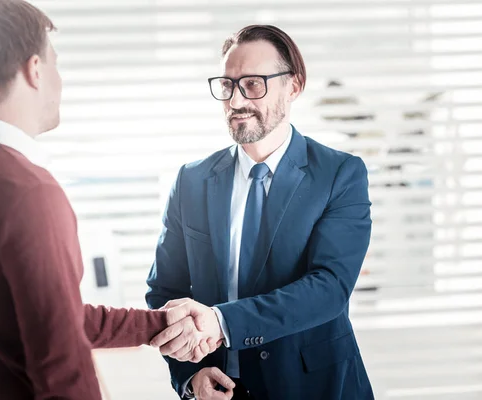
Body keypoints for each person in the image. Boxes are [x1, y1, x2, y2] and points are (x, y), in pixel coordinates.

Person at [0, 1, 216, 399]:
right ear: (34, 70)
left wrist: (157, 324)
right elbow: (61, 364)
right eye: (55, 63)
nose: (60, 79)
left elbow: (43, 316)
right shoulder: (28, 192)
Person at [147, 25, 374, 400]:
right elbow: (165, 290)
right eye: (227, 85)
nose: (236, 101)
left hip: (317, 388)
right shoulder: (192, 180)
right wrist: (190, 374)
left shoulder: (339, 175)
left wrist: (222, 322)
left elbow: (329, 288)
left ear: (293, 86)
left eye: (253, 84)